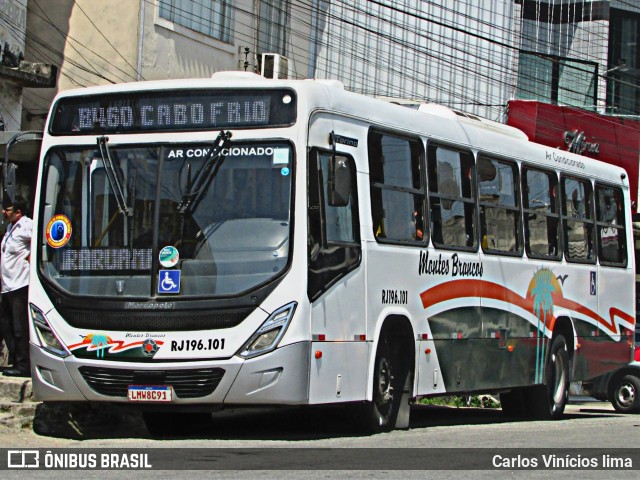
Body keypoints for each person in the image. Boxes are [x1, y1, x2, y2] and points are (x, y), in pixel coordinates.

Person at [1, 196, 32, 377]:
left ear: (18, 212)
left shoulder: (27, 225)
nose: (5, 212)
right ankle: (14, 357)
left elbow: (42, 239)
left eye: (8, 209)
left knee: (19, 326)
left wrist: (32, 258)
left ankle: (23, 365)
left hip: (20, 284)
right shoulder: (10, 227)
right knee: (5, 323)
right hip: (6, 285)